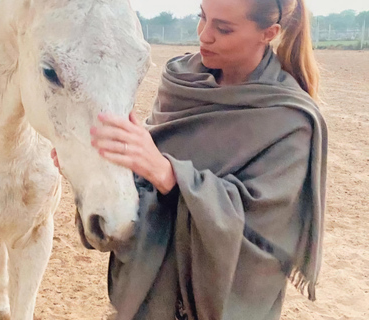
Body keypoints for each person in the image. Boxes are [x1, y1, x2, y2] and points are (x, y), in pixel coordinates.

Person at [52, 0, 328, 319]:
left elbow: (259, 239)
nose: (204, 35)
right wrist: (102, 168)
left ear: (269, 33)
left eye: (223, 28)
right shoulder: (180, 81)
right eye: (202, 17)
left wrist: (170, 175)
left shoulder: (290, 121)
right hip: (151, 300)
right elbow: (145, 192)